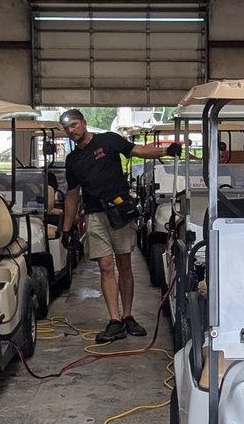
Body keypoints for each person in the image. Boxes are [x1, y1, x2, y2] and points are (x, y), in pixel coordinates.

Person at [59, 109, 181, 343]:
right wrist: (67, 228)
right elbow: (72, 195)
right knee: (106, 266)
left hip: (120, 211)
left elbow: (137, 150)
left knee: (124, 264)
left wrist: (166, 151)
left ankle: (128, 316)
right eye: (67, 129)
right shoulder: (72, 160)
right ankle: (115, 321)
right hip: (95, 215)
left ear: (84, 123)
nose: (71, 130)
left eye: (74, 125)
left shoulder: (108, 140)